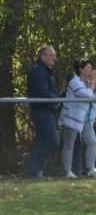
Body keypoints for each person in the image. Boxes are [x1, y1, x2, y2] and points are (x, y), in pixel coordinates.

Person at [59, 60, 96, 178]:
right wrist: (93, 81)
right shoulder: (74, 82)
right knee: (69, 144)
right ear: (81, 69)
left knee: (92, 142)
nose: (91, 70)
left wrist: (93, 81)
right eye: (88, 68)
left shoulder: (89, 82)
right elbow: (87, 95)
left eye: (91, 68)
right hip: (72, 118)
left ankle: (90, 169)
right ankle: (67, 171)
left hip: (86, 120)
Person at [27, 45, 60, 178]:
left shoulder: (45, 70)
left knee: (42, 142)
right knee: (53, 141)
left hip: (46, 110)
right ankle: (35, 169)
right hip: (42, 111)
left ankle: (35, 171)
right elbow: (42, 91)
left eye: (54, 55)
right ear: (43, 56)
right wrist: (55, 100)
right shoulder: (39, 70)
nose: (54, 58)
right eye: (51, 55)